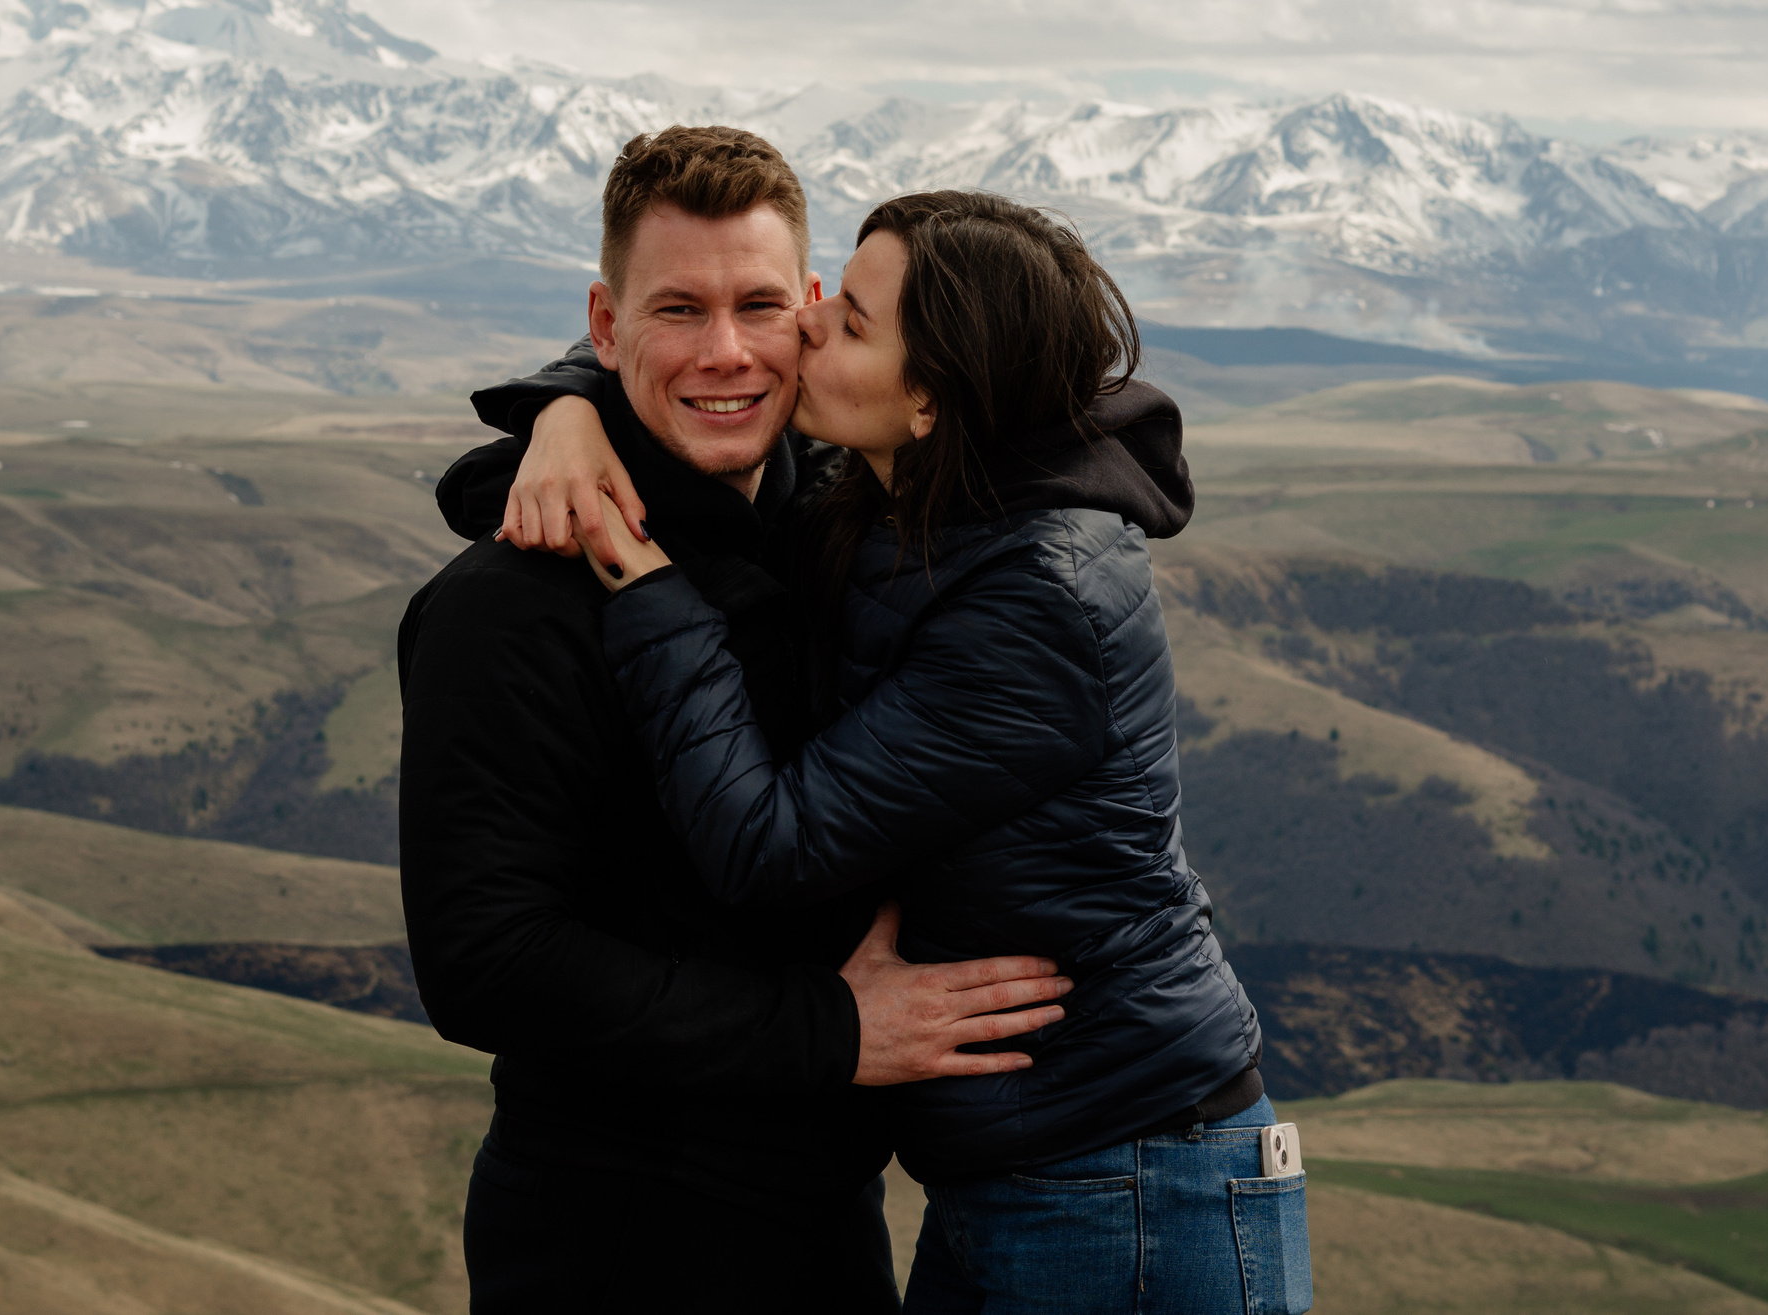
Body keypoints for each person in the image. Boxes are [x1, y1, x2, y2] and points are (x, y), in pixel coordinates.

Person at [489, 190, 1309, 1314]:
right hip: (1034, 1170)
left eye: (851, 323)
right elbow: (684, 366)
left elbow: (768, 850)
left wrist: (651, 590)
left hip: (1126, 1182)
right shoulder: (907, 494)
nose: (805, 327)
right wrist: (568, 408)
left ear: (927, 399)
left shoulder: (1036, 597)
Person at [399, 130, 1079, 1315]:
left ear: (812, 315)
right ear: (605, 328)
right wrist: (827, 1032)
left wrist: (562, 405)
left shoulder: (835, 512)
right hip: (615, 1240)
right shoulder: (505, 608)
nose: (725, 352)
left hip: (827, 1220)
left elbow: (1022, 388)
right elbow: (486, 966)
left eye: (759, 305)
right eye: (678, 310)